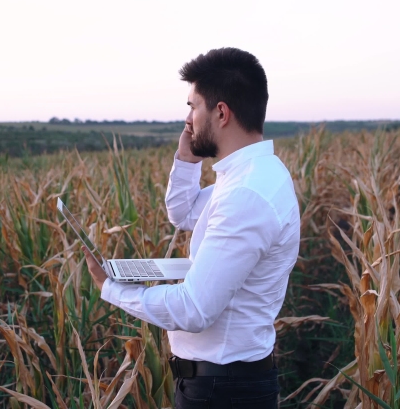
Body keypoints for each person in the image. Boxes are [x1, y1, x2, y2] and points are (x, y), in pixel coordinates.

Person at [83, 47, 300, 408]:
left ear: (221, 112)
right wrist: (186, 159)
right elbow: (183, 213)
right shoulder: (250, 177)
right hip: (223, 383)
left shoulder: (247, 194)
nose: (188, 119)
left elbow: (194, 309)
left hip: (224, 391)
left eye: (192, 106)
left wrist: (112, 288)